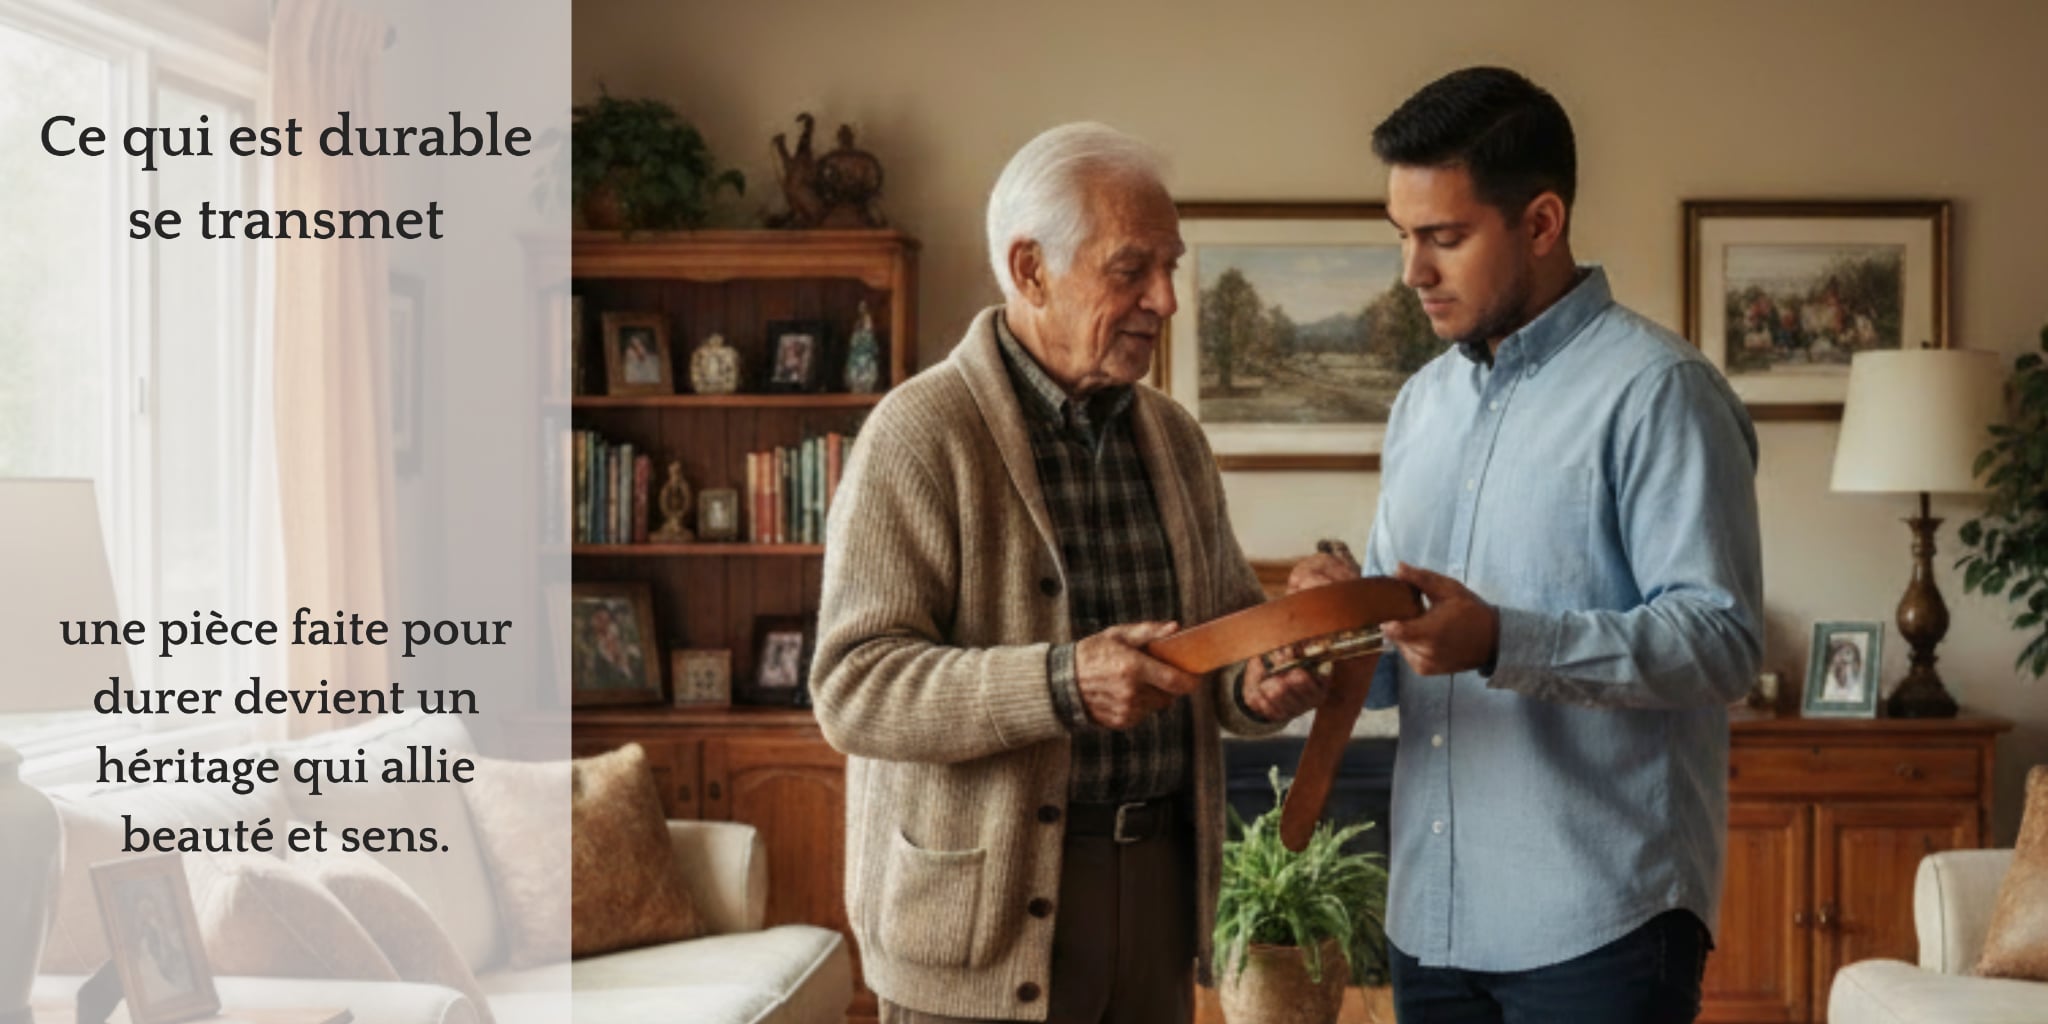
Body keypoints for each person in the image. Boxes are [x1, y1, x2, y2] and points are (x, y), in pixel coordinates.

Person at [811, 122, 1328, 1024]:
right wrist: (1062, 684)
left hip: (1159, 895)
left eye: (1170, 267)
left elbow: (1224, 649)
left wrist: (1264, 680)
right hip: (975, 922)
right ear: (1031, 269)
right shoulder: (918, 433)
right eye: (1132, 269)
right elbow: (854, 689)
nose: (1165, 299)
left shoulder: (1174, 438)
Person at [1289, 67, 1763, 1023]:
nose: (1413, 272)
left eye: (1444, 237)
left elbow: (1721, 643)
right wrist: (1332, 630)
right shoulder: (1420, 404)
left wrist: (1504, 640)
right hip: (1430, 923)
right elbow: (1399, 658)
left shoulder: (1660, 392)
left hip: (1602, 926)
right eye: (1401, 236)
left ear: (1542, 223)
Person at [1820, 637, 1864, 703]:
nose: (1844, 657)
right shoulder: (1827, 678)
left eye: (1848, 653)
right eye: (1840, 653)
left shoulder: (1855, 675)